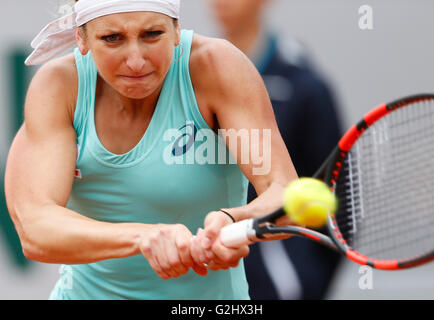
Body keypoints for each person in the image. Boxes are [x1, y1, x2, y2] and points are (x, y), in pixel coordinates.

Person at [4, 0, 298, 300]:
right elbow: (35, 229)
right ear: (82, 38)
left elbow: (284, 196)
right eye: (112, 38)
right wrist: (145, 237)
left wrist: (235, 220)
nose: (136, 60)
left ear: (175, 29)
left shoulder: (218, 67)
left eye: (152, 34)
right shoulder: (58, 86)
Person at [209, 0, 343, 300]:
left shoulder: (304, 84)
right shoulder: (185, 76)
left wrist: (306, 277)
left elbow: (336, 192)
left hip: (275, 285)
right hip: (202, 275)